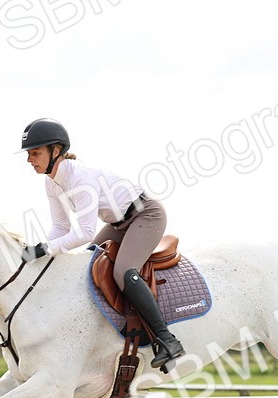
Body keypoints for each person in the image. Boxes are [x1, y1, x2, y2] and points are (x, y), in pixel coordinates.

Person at [20, 117, 185, 369]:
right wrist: (39, 251)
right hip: (117, 224)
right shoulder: (51, 182)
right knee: (88, 265)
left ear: (56, 151)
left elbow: (86, 232)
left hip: (146, 214)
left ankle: (167, 340)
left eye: (35, 153)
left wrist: (45, 249)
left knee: (123, 272)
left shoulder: (80, 178)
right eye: (29, 154)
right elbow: (61, 228)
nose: (29, 160)